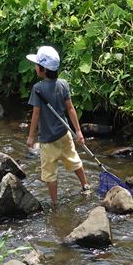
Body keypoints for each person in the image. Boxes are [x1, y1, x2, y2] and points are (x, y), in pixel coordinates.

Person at [24, 45, 91, 207]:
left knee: (49, 173)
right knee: (74, 160)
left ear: (42, 70)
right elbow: (70, 108)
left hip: (47, 140)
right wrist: (78, 131)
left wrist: (31, 136)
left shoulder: (37, 89)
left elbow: (36, 114)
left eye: (37, 65)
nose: (35, 67)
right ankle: (86, 186)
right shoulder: (63, 84)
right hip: (65, 134)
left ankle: (54, 202)